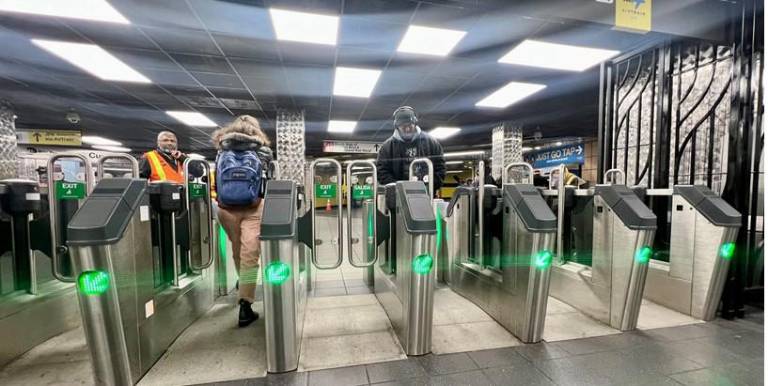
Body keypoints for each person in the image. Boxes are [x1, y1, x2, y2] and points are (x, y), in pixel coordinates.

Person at [211, 115, 273, 327]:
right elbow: (269, 179)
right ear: (256, 130)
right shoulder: (262, 150)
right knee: (250, 253)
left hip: (226, 208)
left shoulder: (222, 148)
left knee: (238, 250)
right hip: (254, 206)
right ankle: (245, 305)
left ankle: (243, 281)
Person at [376, 106, 446, 193]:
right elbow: (382, 171)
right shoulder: (387, 147)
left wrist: (430, 186)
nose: (407, 129)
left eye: (410, 125)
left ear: (415, 123)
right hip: (398, 197)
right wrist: (398, 189)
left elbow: (440, 167)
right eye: (403, 126)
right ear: (397, 127)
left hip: (426, 194)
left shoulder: (431, 143)